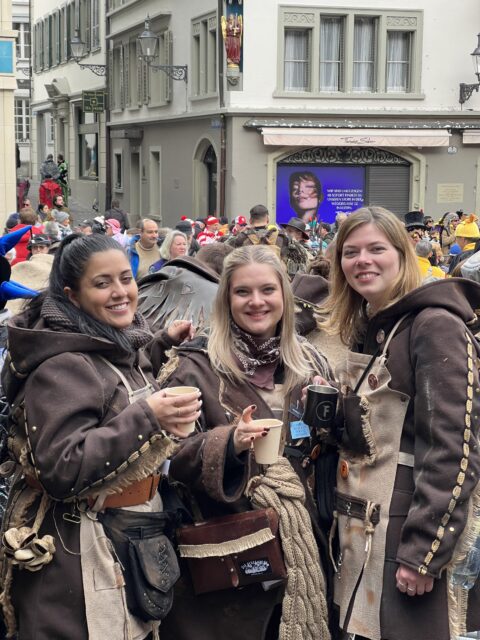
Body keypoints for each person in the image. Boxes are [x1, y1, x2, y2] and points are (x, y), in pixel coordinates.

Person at [0, 234, 202, 639]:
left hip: (126, 532)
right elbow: (61, 469)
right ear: (72, 297)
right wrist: (149, 416)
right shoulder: (61, 366)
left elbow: (110, 388)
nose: (120, 292)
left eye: (126, 278)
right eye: (102, 283)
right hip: (78, 550)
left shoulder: (114, 340)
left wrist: (162, 343)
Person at [319, 206, 480, 640]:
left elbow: (453, 448)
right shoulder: (371, 326)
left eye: (376, 249)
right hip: (363, 533)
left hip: (404, 535)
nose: (362, 261)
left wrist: (424, 552)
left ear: (402, 253)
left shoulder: (435, 325)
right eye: (350, 252)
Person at [155, 244, 332, 640]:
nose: (256, 302)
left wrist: (329, 412)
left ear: (284, 296)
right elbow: (165, 456)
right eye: (242, 292)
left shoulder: (310, 362)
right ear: (226, 299)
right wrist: (228, 443)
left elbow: (333, 451)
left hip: (306, 544)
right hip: (229, 561)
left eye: (268, 290)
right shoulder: (194, 366)